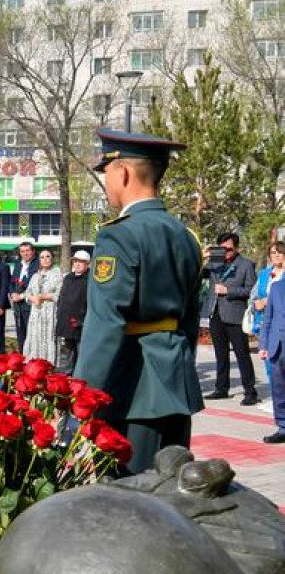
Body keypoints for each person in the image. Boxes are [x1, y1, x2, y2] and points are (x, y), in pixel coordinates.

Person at [74, 129, 204, 474]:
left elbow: (105, 324)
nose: (107, 183)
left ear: (123, 173)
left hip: (132, 394)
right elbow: (190, 320)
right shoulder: (186, 236)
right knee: (172, 501)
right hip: (175, 387)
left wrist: (83, 398)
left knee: (131, 508)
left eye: (107, 174)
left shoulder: (119, 235)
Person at [202, 233, 259, 406]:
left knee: (242, 354)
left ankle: (250, 391)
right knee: (221, 354)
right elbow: (196, 275)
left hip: (235, 315)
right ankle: (221, 388)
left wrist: (229, 291)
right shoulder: (214, 262)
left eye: (229, 248)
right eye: (222, 248)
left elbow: (250, 290)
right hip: (215, 313)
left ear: (237, 248)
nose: (225, 252)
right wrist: (202, 257)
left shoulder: (246, 264)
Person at [251, 241, 284, 413]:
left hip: (282, 325)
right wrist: (256, 302)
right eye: (272, 253)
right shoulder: (265, 274)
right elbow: (253, 295)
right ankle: (275, 398)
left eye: (279, 252)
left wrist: (270, 301)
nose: (276, 256)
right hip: (265, 322)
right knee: (270, 364)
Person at [259, 263, 285, 444]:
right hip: (278, 346)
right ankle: (283, 427)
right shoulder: (276, 287)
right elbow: (268, 318)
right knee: (278, 389)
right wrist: (263, 345)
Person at [55, 250, 92, 373]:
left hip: (81, 324)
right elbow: (62, 297)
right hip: (66, 323)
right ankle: (67, 377)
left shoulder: (90, 279)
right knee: (66, 355)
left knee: (82, 354)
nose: (77, 264)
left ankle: (81, 378)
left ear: (87, 264)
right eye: (75, 261)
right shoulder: (68, 278)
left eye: (81, 262)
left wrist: (82, 321)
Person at [23, 249, 62, 363]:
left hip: (49, 313)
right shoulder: (35, 275)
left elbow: (60, 294)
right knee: (35, 337)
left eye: (48, 256)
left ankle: (48, 364)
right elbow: (27, 293)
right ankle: (34, 364)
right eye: (42, 257)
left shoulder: (57, 274)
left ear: (52, 258)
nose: (45, 259)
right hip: (35, 313)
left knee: (48, 337)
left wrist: (43, 296)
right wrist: (32, 298)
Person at [10, 242, 38, 354]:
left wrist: (21, 296)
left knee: (30, 333)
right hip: (17, 305)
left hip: (29, 304)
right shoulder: (18, 264)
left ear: (33, 251)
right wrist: (12, 293)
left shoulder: (37, 265)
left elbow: (34, 285)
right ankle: (21, 355)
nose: (25, 253)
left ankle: (31, 357)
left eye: (27, 250)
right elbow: (12, 282)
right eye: (22, 251)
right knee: (20, 332)